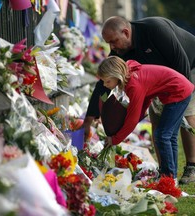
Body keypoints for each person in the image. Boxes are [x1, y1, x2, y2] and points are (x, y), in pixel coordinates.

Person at [83, 16, 195, 184]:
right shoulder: (119, 57)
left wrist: (115, 139)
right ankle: (166, 172)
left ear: (126, 33)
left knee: (185, 117)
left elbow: (181, 64)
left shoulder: (156, 31)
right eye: (108, 43)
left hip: (187, 68)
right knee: (159, 126)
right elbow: (103, 86)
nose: (111, 47)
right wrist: (90, 118)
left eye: (113, 41)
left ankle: (191, 167)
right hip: (158, 84)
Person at [98, 56, 193, 182]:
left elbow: (132, 118)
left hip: (178, 92)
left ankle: (169, 178)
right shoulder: (131, 76)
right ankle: (170, 176)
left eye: (107, 81)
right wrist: (133, 118)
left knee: (162, 135)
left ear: (116, 75)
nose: (105, 85)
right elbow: (146, 98)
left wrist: (115, 139)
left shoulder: (133, 84)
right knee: (169, 136)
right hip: (178, 89)